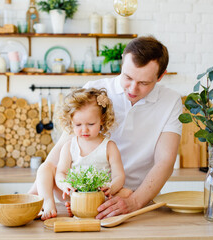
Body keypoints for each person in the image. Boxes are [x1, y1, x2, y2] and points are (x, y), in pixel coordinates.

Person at [28, 35, 182, 220]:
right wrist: (29, 202)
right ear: (122, 62)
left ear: (161, 76)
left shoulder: (171, 101)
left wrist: (134, 202)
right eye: (128, 77)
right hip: (83, 194)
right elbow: (57, 155)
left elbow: (164, 161)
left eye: (144, 83)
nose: (133, 89)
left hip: (131, 196)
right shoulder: (95, 90)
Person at [54, 88, 132, 220]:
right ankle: (76, 205)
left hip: (101, 194)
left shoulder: (109, 147)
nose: (84, 129)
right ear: (70, 122)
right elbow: (60, 172)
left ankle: (90, 208)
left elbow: (119, 176)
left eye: (90, 124)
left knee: (127, 193)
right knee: (54, 185)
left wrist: (111, 187)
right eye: (78, 124)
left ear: (102, 120)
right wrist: (64, 185)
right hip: (78, 193)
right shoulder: (69, 147)